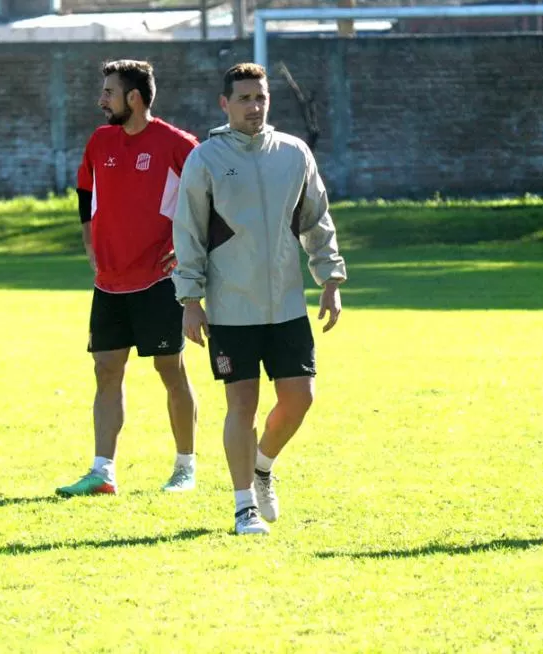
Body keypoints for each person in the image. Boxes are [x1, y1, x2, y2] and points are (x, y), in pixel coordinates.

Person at [172, 63, 347, 535]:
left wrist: (330, 278)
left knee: (300, 399)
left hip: (288, 304)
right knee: (241, 406)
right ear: (224, 104)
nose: (254, 106)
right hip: (232, 307)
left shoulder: (294, 153)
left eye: (261, 98)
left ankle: (263, 466)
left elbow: (316, 219)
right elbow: (186, 232)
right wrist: (190, 298)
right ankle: (243, 506)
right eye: (245, 98)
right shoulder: (205, 159)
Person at [56, 59, 200, 497]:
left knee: (168, 368)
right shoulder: (100, 141)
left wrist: (189, 248)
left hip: (159, 281)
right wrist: (87, 243)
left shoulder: (178, 144)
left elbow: (207, 198)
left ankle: (185, 467)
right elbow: (85, 190)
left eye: (108, 92)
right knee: (105, 369)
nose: (101, 100)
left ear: (133, 98)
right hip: (109, 282)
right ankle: (103, 472)